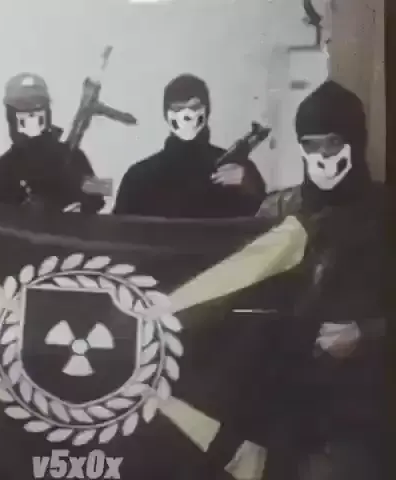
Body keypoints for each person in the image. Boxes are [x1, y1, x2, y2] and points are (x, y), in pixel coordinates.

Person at [257, 80, 387, 480]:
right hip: (283, 404)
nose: (322, 157)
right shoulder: (276, 212)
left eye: (333, 143)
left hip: (363, 411)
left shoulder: (387, 213)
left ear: (354, 141)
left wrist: (367, 332)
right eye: (310, 145)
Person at [113, 74, 265, 219]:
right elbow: (120, 229)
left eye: (194, 107)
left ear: (207, 111)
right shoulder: (139, 177)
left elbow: (265, 219)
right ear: (166, 114)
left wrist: (248, 183)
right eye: (178, 108)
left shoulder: (235, 169)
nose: (186, 115)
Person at [0, 72, 106, 213]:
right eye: (24, 107)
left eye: (37, 106)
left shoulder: (73, 157)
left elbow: (101, 192)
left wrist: (78, 183)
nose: (31, 116)